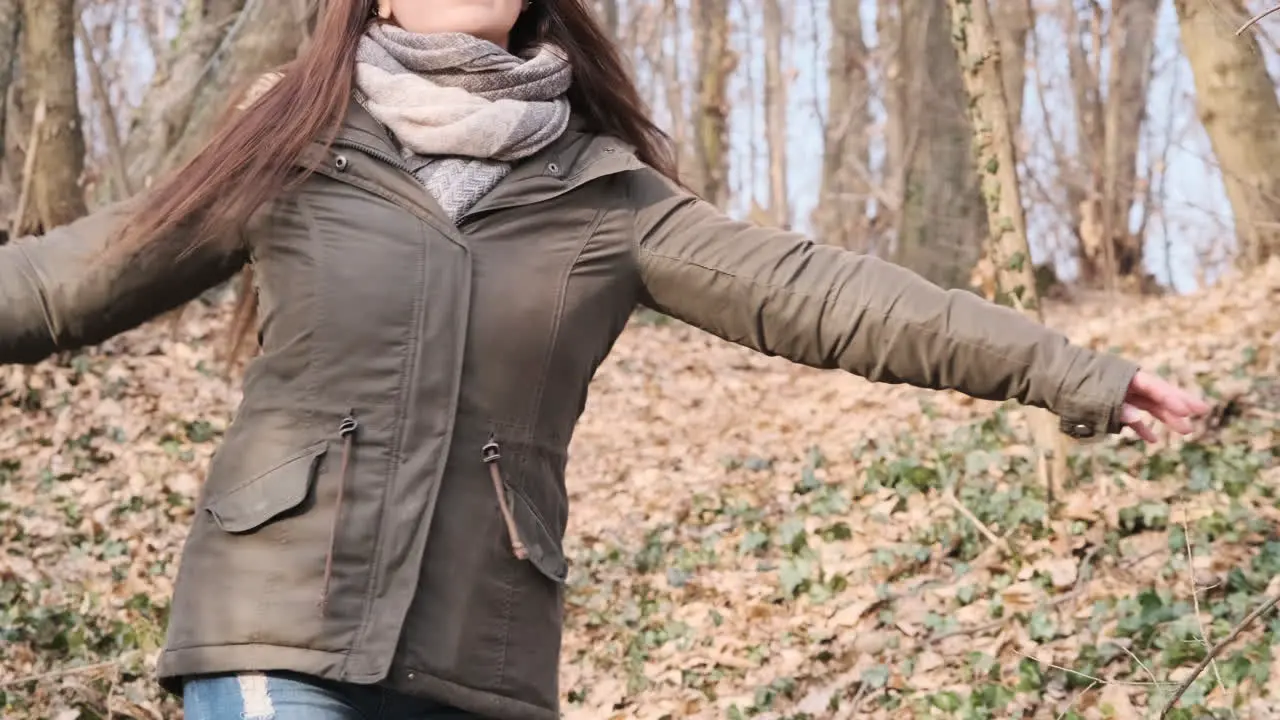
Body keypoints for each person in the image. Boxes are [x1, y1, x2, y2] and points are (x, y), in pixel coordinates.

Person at [0, 0, 1208, 718]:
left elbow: (826, 295)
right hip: (269, 626)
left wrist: (1073, 370)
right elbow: (67, 281)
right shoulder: (291, 147)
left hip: (483, 654)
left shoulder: (602, 195)